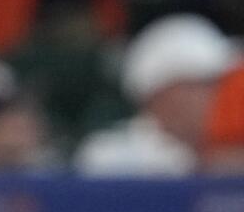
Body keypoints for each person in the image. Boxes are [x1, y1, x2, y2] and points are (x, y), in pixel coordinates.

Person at [74, 13, 238, 176]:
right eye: (207, 84)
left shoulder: (229, 148)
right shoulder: (111, 154)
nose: (220, 94)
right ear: (164, 95)